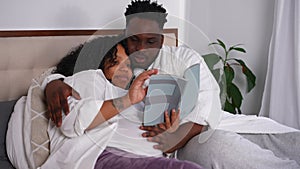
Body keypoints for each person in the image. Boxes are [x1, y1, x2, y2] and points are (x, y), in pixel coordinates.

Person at [44, 0, 300, 169]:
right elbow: (72, 77)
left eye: (151, 41)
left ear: (162, 37)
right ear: (125, 34)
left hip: (198, 130)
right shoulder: (111, 60)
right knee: (226, 149)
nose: (141, 50)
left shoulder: (182, 58)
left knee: (288, 141)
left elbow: (206, 101)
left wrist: (178, 136)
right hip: (194, 145)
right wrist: (52, 83)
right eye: (134, 40)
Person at [41, 35, 204, 169]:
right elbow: (69, 123)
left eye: (127, 64)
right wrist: (127, 100)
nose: (125, 69)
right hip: (107, 156)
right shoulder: (89, 79)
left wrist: (169, 128)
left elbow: (149, 134)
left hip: (149, 157)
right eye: (115, 62)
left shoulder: (133, 93)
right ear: (97, 61)